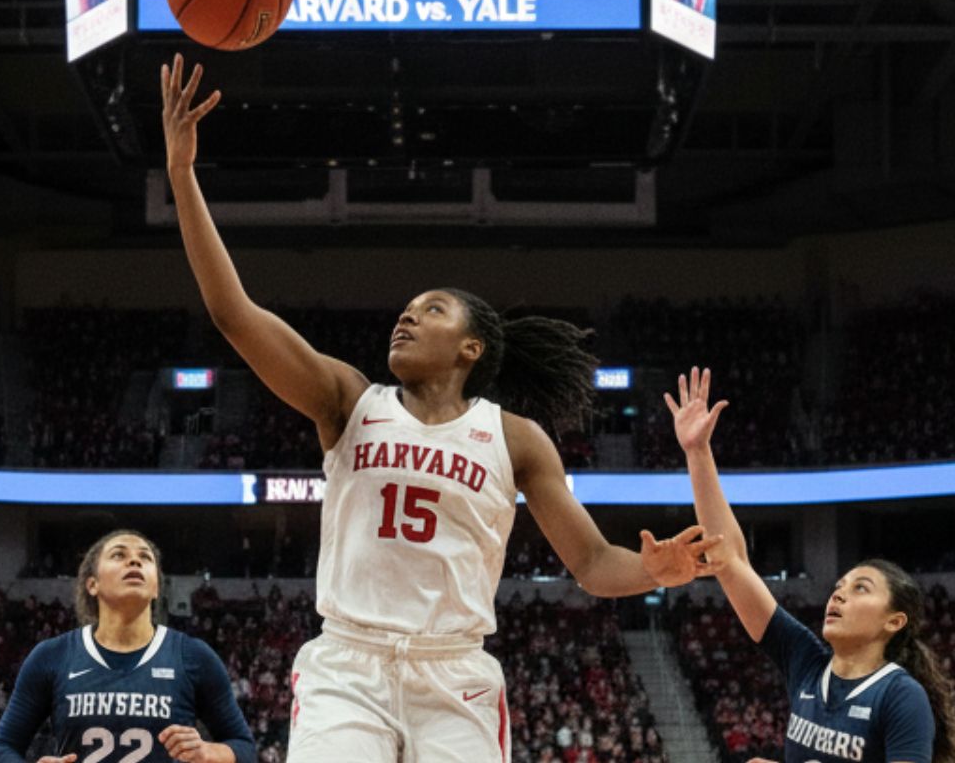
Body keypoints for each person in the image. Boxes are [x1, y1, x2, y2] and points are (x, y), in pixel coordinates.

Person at [159, 56, 723, 763]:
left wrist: (655, 571)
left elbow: (592, 563)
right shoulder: (348, 401)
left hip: (454, 673)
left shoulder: (515, 439)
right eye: (405, 309)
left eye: (431, 310)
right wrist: (183, 175)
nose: (406, 317)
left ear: (470, 348)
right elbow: (233, 313)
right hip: (349, 666)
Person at [664, 368, 955, 763]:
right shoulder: (807, 662)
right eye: (840, 585)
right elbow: (732, 559)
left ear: (894, 621)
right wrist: (697, 453)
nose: (839, 593)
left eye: (860, 587)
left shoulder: (900, 695)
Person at [0, 530, 255, 763]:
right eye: (119, 555)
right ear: (92, 584)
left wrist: (210, 752)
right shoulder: (52, 656)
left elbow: (245, 748)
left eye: (145, 557)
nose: (135, 560)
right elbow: (0, 748)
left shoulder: (193, 656)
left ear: (157, 588)